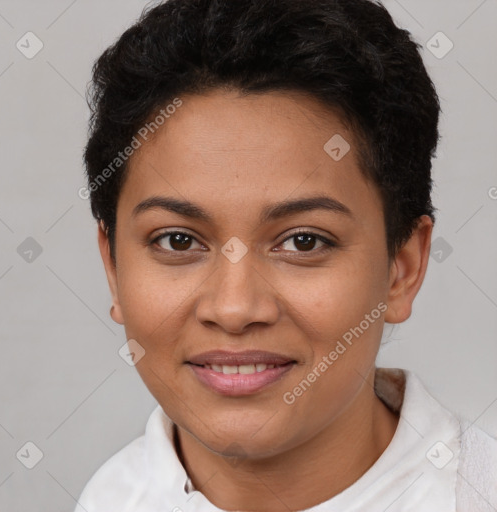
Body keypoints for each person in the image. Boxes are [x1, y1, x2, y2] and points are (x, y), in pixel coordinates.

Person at [75, 0, 497, 510]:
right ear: (114, 268)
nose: (234, 309)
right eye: (178, 240)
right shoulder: (109, 497)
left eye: (304, 241)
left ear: (401, 270)